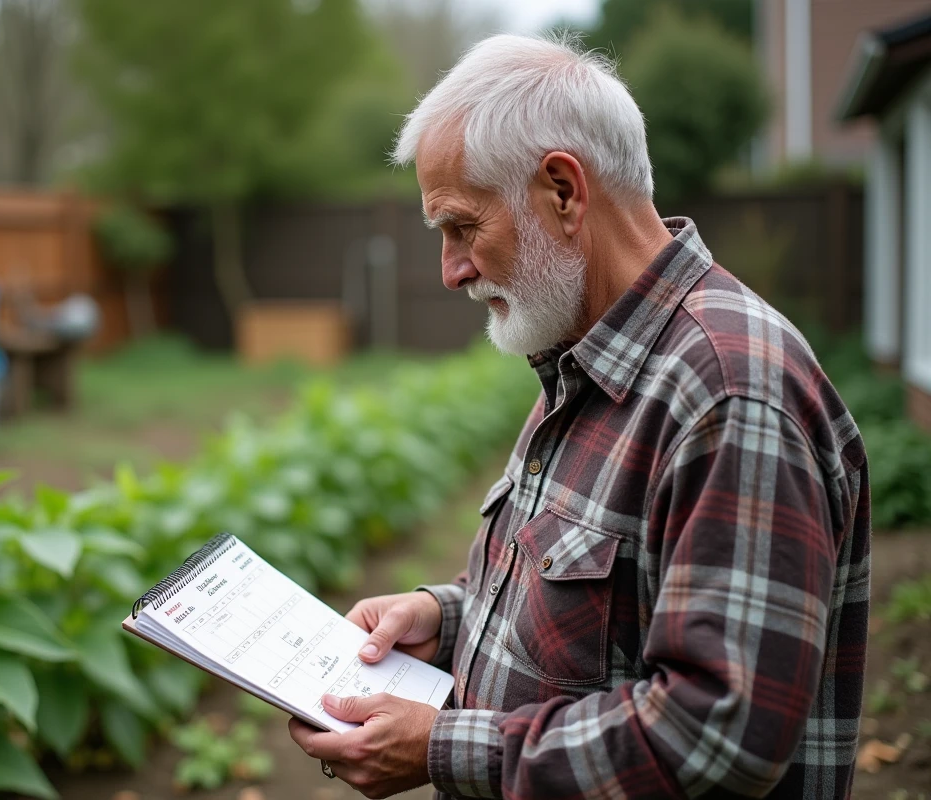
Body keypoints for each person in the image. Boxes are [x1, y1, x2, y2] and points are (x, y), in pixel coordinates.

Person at [287, 33, 870, 800]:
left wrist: (445, 749)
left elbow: (716, 737)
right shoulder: (587, 353)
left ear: (563, 191)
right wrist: (445, 618)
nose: (452, 269)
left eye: (463, 226)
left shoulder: (729, 395)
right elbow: (599, 605)